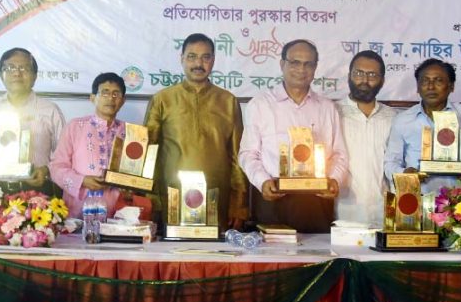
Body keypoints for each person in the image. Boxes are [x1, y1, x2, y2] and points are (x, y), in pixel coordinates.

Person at [239, 39, 349, 233]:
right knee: (275, 262)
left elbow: (340, 154)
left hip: (316, 202)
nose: (301, 69)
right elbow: (248, 154)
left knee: (317, 260)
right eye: (295, 62)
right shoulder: (261, 105)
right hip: (274, 199)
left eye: (308, 64)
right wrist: (262, 181)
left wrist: (334, 180)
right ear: (282, 64)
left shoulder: (326, 108)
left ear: (315, 68)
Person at [144, 33, 247, 231]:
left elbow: (237, 157)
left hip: (216, 197)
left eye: (205, 57)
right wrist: (152, 201)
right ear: (181, 59)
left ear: (213, 60)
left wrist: (239, 206)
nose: (198, 63)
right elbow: (149, 152)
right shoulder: (163, 100)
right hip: (172, 195)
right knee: (174, 258)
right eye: (192, 56)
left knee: (214, 258)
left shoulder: (228, 101)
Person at [384, 58, 461, 194]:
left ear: (451, 86)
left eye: (438, 80)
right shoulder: (402, 119)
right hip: (417, 201)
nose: (431, 87)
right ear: (418, 87)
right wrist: (405, 173)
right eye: (425, 81)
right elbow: (390, 163)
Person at [0, 48, 65, 194]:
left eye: (24, 68)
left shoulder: (50, 111)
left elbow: (64, 156)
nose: (17, 73)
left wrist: (45, 170)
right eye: (10, 67)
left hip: (37, 191)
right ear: (1, 75)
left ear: (35, 76)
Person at [49, 73, 132, 219]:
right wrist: (82, 181)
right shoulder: (75, 127)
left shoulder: (130, 132)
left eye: (116, 94)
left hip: (119, 214)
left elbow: (138, 172)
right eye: (104, 93)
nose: (110, 98)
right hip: (78, 212)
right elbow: (56, 167)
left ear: (123, 100)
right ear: (92, 98)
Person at [335, 50, 396, 226]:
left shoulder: (394, 118)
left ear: (382, 80)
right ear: (349, 76)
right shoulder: (333, 113)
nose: (364, 80)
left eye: (372, 75)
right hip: (341, 214)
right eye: (359, 73)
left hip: (385, 213)